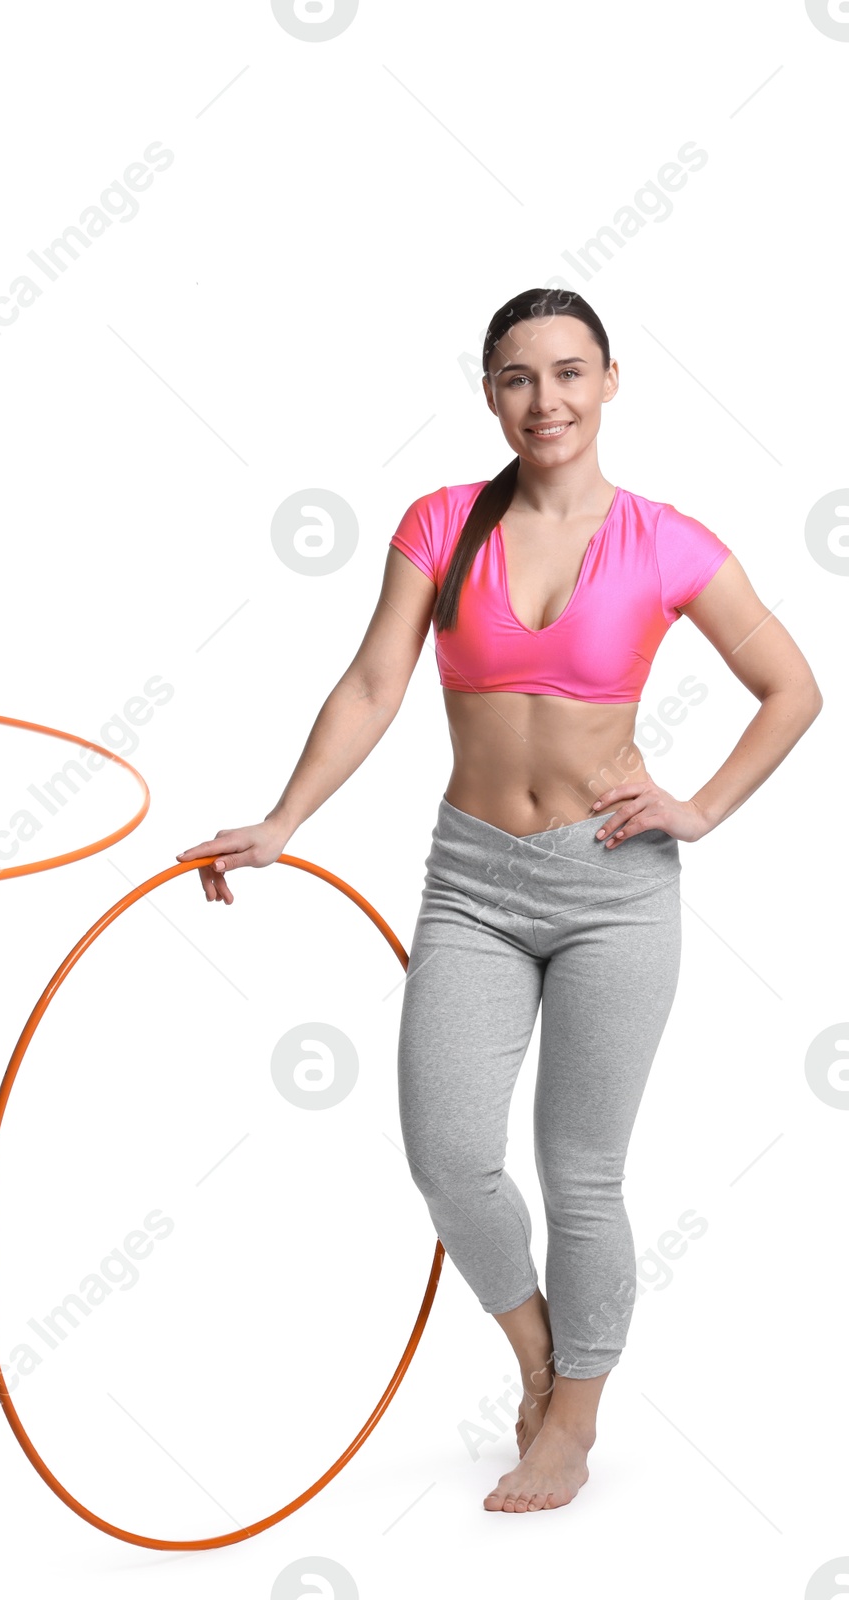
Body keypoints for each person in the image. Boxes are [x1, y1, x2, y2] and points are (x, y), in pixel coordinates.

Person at [177, 286, 822, 1513]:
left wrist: (700, 806)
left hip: (612, 884)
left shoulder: (666, 540)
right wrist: (281, 820)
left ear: (611, 382)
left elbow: (790, 687)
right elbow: (372, 684)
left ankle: (571, 1421)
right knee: (449, 1152)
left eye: (570, 374)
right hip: (473, 877)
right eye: (520, 378)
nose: (548, 401)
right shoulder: (438, 524)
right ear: (490, 393)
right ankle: (537, 1358)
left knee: (580, 1171)